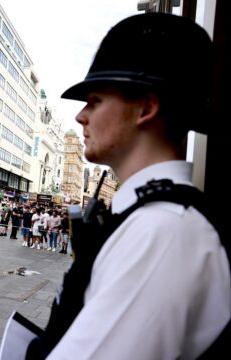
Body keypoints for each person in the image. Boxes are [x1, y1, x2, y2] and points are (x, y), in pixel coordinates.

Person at [38, 13, 230, 359]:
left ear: (145, 108)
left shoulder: (162, 230)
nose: (81, 115)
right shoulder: (150, 218)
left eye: (95, 100)